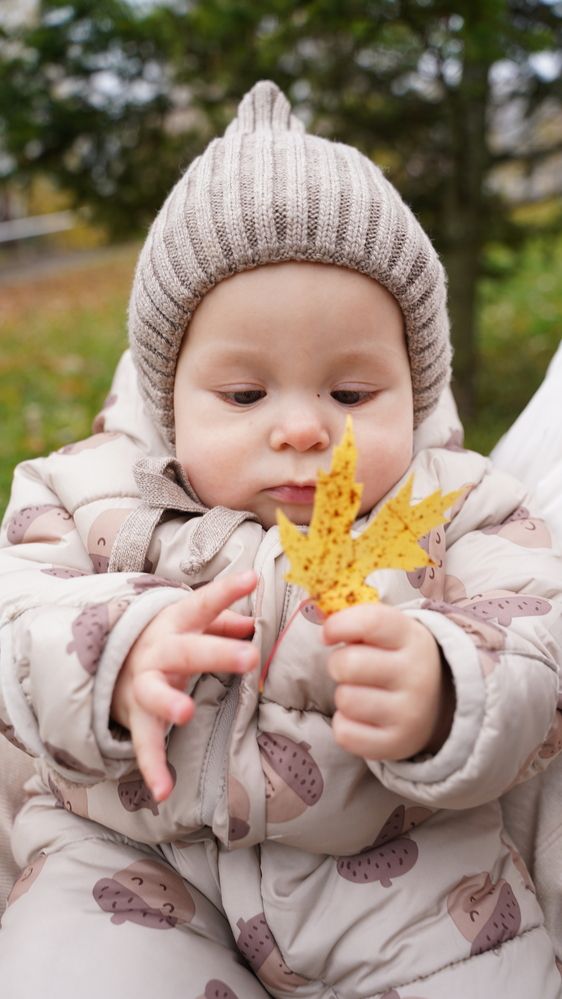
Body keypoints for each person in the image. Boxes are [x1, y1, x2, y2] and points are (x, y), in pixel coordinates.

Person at [0, 80, 560, 999]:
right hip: (132, 863)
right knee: (71, 970)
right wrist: (113, 656)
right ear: (167, 398)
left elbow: (540, 632)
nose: (302, 428)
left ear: (415, 388)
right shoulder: (85, 491)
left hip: (410, 881)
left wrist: (447, 685)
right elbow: (16, 615)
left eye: (351, 394)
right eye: (245, 394)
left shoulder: (461, 505)